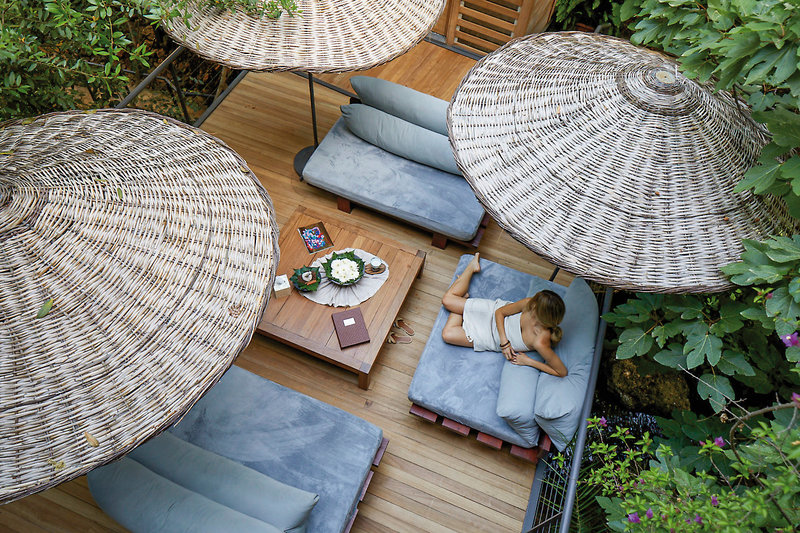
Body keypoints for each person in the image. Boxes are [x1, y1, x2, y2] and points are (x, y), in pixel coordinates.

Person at [441, 253, 568, 377]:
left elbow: (561, 372)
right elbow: (500, 312)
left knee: (447, 335)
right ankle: (472, 267)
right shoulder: (530, 303)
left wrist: (528, 361)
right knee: (447, 301)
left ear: (543, 317)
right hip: (492, 314)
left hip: (490, 338)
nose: (532, 305)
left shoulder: (540, 341)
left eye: (536, 307)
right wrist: (504, 343)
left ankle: (463, 298)